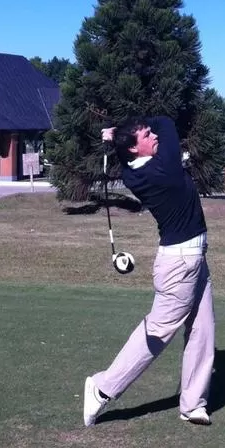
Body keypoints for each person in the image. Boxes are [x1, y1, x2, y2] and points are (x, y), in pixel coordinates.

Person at [83, 115, 215, 427]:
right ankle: (102, 387)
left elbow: (134, 146)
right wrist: (118, 131)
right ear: (135, 149)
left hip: (193, 260)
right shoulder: (163, 167)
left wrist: (116, 138)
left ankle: (192, 403)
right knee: (158, 331)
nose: (154, 135)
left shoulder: (133, 173)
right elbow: (168, 121)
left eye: (149, 131)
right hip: (180, 265)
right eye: (146, 134)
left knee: (203, 328)